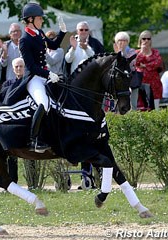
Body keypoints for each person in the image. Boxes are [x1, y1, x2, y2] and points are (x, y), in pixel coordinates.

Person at [19, 2, 67, 153]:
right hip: (33, 78)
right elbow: (31, 66)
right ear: (31, 19)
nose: (42, 20)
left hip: (44, 75)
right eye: (40, 18)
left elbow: (53, 46)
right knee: (44, 103)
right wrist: (48, 74)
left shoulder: (39, 33)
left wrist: (63, 32)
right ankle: (34, 140)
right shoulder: (24, 39)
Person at [64, 21, 104, 188]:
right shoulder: (72, 41)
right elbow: (67, 59)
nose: (84, 32)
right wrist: (74, 47)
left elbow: (96, 59)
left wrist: (85, 47)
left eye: (86, 29)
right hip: (75, 90)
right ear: (77, 30)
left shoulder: (94, 43)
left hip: (91, 91)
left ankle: (89, 173)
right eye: (81, 29)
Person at [135, 30, 163, 110]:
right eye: (144, 39)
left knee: (155, 109)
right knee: (142, 108)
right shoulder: (136, 53)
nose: (146, 40)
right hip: (141, 84)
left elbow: (157, 63)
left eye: (148, 39)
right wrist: (142, 52)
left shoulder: (156, 52)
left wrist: (144, 65)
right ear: (140, 40)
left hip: (154, 85)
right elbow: (135, 63)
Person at [0, 23, 22, 92]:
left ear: (21, 33)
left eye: (18, 31)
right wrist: (5, 52)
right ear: (10, 35)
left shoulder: (25, 45)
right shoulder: (6, 46)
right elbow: (3, 64)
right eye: (14, 31)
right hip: (10, 80)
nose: (16, 33)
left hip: (24, 79)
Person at [113, 31, 138, 110]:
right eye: (119, 40)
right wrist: (117, 54)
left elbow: (130, 65)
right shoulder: (114, 53)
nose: (122, 42)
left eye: (124, 40)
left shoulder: (132, 51)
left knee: (132, 105)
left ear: (128, 41)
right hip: (119, 82)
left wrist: (121, 52)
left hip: (131, 81)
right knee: (118, 104)